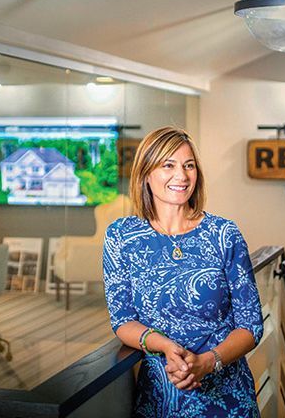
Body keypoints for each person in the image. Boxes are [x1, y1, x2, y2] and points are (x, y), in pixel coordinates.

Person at [102, 126, 264, 417]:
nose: (182, 175)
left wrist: (208, 362)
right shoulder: (121, 237)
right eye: (168, 165)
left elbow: (251, 325)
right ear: (145, 173)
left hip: (228, 401)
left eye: (189, 165)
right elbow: (123, 320)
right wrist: (165, 346)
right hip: (161, 399)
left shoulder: (223, 234)